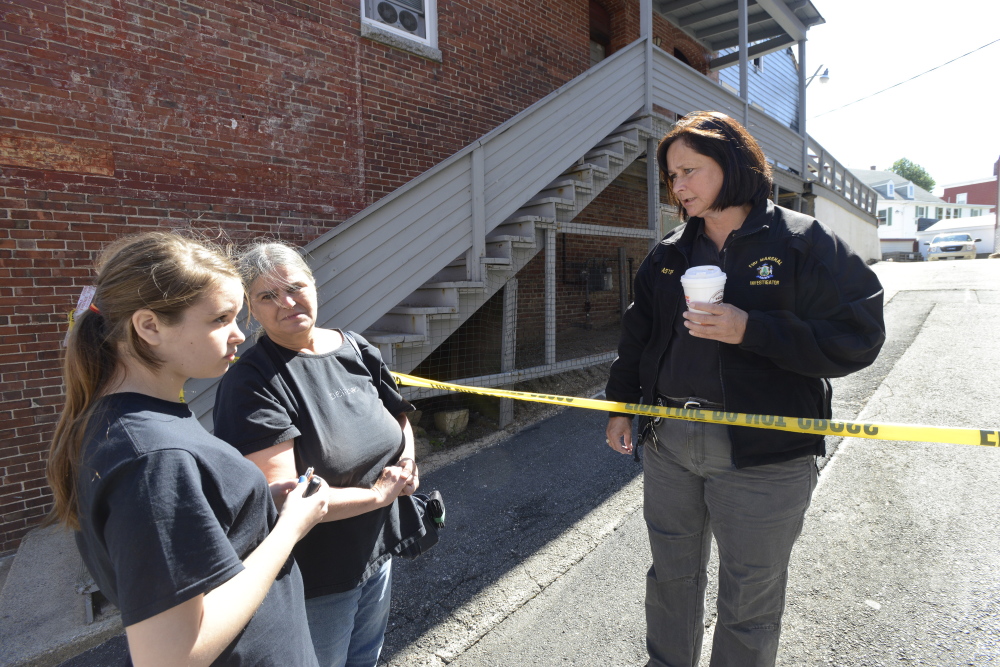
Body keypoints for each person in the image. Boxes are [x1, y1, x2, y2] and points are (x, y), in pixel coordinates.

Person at [605, 111, 885, 667]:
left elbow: (860, 335)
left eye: (690, 171)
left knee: (749, 601)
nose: (678, 186)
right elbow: (637, 336)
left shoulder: (803, 242)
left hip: (766, 454)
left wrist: (750, 330)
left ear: (731, 165)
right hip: (670, 445)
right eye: (672, 176)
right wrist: (621, 407)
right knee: (670, 581)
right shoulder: (670, 253)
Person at [46, 232, 329, 666]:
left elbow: (188, 538)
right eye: (220, 319)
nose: (239, 335)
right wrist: (289, 528)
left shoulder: (135, 422)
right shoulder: (151, 458)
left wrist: (254, 508)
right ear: (149, 326)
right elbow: (172, 656)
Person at [213, 241, 420, 667]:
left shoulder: (355, 347)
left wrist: (408, 462)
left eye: (295, 286)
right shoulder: (253, 382)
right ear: (250, 309)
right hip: (316, 579)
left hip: (375, 552)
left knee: (366, 657)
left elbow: (398, 415)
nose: (287, 303)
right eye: (267, 296)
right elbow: (286, 497)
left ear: (315, 285)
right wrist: (380, 496)